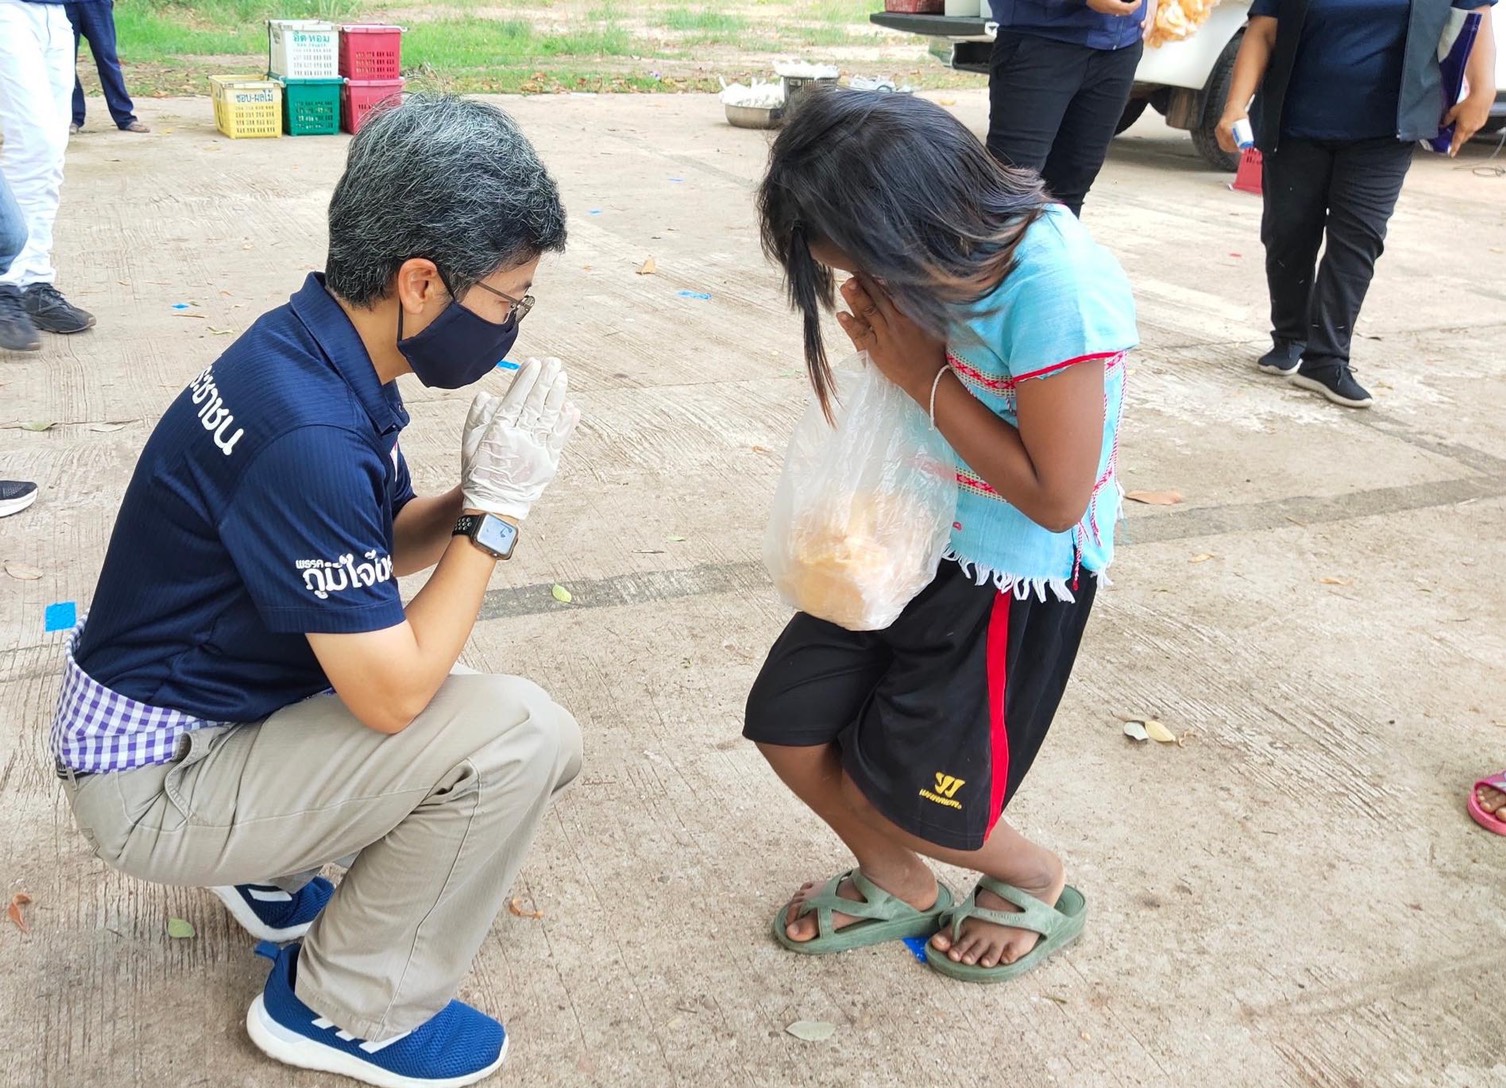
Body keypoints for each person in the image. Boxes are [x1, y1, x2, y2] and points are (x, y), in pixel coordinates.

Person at [51, 94, 581, 1088]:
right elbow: (392, 695)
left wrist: (476, 491)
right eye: (509, 298)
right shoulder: (308, 435)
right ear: (421, 281)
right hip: (154, 780)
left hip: (185, 707)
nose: (511, 323)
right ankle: (344, 1004)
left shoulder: (309, 350)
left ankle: (268, 857)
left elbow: (362, 542)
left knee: (416, 661)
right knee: (518, 732)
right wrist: (496, 519)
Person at [747, 88, 1135, 981]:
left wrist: (923, 376)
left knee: (923, 800)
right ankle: (899, 883)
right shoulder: (939, 259)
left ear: (904, 227)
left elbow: (1056, 496)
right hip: (903, 542)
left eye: (853, 258)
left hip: (1007, 577)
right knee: (789, 722)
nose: (849, 276)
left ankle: (1031, 873)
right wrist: (897, 352)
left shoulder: (1055, 291)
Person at [1218, 0, 1498, 408]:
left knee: (1358, 240)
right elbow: (1263, 29)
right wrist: (1233, 107)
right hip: (1297, 122)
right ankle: (1291, 336)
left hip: (1386, 132)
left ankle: (1326, 359)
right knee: (1288, 234)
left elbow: (1478, 13)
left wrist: (1483, 90)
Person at [985, 0, 1157, 217]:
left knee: (1070, 190)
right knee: (1011, 189)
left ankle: (1052, 250)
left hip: (1120, 47)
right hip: (1041, 39)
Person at [0, 0, 96, 341]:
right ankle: (5, 283)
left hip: (56, 14)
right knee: (33, 144)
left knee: (51, 154)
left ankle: (33, 282)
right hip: (9, 11)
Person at [66, 0, 150, 134]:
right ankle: (72, 117)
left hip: (96, 4)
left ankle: (125, 117)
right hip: (64, 4)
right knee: (66, 62)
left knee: (107, 58)